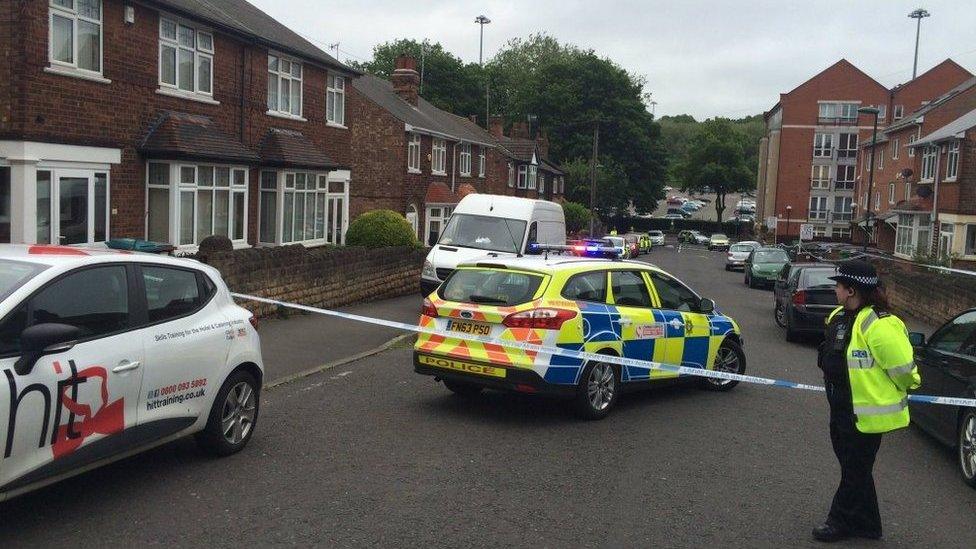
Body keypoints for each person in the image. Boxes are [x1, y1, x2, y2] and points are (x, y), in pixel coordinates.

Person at [813, 260, 920, 543]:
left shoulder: (880, 324)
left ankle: (838, 522)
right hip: (840, 408)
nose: (835, 289)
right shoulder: (838, 316)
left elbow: (904, 370)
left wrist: (908, 386)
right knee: (855, 469)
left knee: (854, 471)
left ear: (851, 290)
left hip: (865, 416)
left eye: (838, 285)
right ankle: (869, 525)